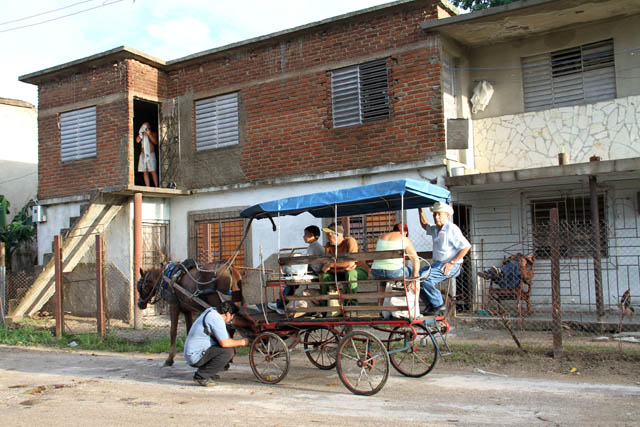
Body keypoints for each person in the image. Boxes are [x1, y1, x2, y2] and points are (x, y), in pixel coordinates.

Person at [418, 202, 471, 316]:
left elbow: (466, 247)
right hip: (438, 264)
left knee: (425, 278)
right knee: (417, 278)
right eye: (434, 215)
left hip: (452, 265)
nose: (436, 217)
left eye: (439, 214)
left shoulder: (451, 228)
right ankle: (430, 305)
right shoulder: (436, 229)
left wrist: (452, 263)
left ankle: (439, 304)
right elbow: (424, 224)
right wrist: (420, 208)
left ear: (447, 215)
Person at [183, 301, 250, 387]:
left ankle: (208, 372)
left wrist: (248, 324)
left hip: (197, 352)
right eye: (232, 316)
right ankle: (201, 376)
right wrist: (243, 342)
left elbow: (231, 322)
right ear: (228, 314)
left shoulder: (212, 311)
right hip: (195, 356)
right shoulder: (215, 319)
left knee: (226, 349)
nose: (232, 318)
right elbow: (225, 343)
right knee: (228, 352)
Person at [268, 225, 324, 314]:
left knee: (289, 277)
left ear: (311, 235)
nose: (303, 236)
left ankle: (280, 305)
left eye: (306, 234)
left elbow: (305, 261)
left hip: (314, 271)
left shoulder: (313, 246)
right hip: (314, 270)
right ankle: (281, 304)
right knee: (290, 280)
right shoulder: (315, 246)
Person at [370, 223, 421, 307]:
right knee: (415, 272)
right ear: (405, 232)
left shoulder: (382, 237)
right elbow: (416, 260)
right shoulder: (404, 239)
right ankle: (415, 309)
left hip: (376, 272)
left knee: (384, 278)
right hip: (393, 273)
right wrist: (414, 279)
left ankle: (381, 307)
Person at [320, 222, 369, 305]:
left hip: (359, 269)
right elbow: (325, 266)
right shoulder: (328, 246)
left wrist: (332, 265)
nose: (327, 237)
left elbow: (350, 262)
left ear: (338, 235)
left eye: (329, 235)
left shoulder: (350, 241)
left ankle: (351, 304)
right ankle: (324, 307)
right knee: (325, 276)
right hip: (340, 271)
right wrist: (342, 266)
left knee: (351, 273)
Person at [135, 122, 159, 187]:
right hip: (143, 155)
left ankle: (156, 186)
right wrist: (141, 134)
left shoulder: (153, 133)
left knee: (152, 171)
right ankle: (147, 186)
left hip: (150, 154)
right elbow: (137, 140)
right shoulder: (142, 135)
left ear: (149, 127)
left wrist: (149, 135)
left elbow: (155, 142)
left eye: (146, 126)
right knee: (144, 171)